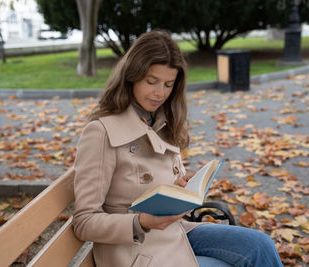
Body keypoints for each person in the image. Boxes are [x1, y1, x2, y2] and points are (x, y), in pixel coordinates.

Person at [72, 30, 283, 267]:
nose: (159, 93)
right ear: (131, 76)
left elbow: (147, 186)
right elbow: (83, 222)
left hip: (175, 231)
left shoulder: (159, 120)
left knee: (259, 245)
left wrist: (179, 188)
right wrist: (141, 222)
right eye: (151, 82)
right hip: (137, 251)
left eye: (168, 85)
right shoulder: (101, 132)